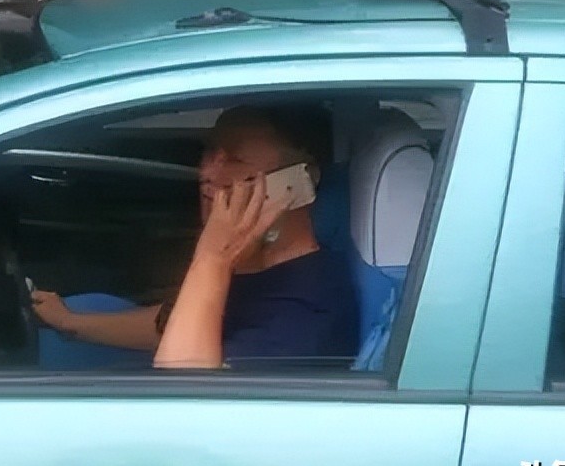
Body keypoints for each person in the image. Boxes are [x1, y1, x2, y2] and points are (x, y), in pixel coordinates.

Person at [32, 105, 358, 369]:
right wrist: (72, 323)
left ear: (296, 184)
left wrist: (212, 259)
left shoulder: (303, 321)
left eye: (234, 160)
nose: (207, 174)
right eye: (210, 154)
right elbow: (174, 322)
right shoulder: (256, 264)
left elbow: (186, 407)